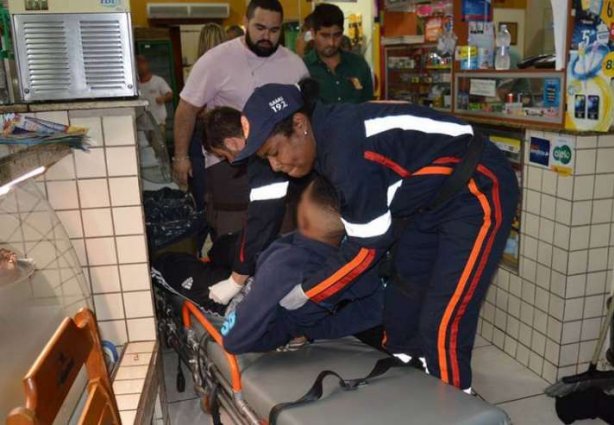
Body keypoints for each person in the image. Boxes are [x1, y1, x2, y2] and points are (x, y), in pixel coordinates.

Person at [204, 81, 519, 393]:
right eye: (266, 159)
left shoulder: (345, 150)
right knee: (401, 307)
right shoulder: (325, 141)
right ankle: (409, 392)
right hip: (426, 202)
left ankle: (455, 406)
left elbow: (366, 250)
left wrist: (307, 295)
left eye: (274, 153)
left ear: (299, 125)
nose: (275, 165)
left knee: (443, 321)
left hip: (478, 188)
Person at [151, 176, 383, 354]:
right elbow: (374, 309)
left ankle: (164, 261)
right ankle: (221, 253)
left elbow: (234, 340)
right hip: (267, 264)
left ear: (303, 216)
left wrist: (294, 330)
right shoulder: (353, 261)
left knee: (170, 264)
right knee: (225, 246)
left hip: (248, 298)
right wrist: (312, 330)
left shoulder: (286, 264)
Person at [173, 0, 308, 241]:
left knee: (282, 226)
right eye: (260, 28)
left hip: (281, 160)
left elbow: (306, 115)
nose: (266, 36)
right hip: (229, 164)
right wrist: (181, 156)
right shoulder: (216, 60)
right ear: (245, 23)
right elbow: (186, 109)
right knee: (235, 233)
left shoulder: (294, 64)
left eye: (274, 30)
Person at [304, 4, 373, 104]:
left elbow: (369, 106)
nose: (331, 42)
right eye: (325, 36)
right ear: (313, 33)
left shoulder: (359, 65)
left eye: (337, 35)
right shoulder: (302, 68)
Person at [137, 55, 173, 136]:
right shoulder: (135, 85)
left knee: (159, 148)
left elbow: (170, 94)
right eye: (137, 65)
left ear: (147, 64)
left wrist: (163, 98)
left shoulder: (158, 80)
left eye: (142, 64)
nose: (139, 67)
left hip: (158, 123)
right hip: (141, 127)